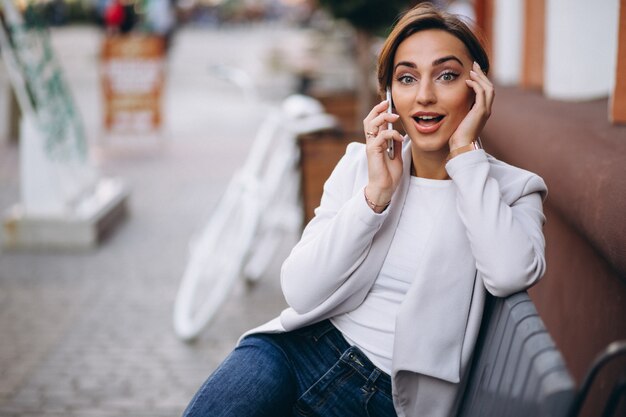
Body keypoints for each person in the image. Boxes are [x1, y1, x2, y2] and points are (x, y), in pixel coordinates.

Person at [182, 3, 547, 417]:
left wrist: (464, 156)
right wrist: (375, 196)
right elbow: (300, 291)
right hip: (298, 357)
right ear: (391, 95)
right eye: (407, 78)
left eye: (446, 75)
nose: (425, 94)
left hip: (391, 400)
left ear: (478, 88)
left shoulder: (512, 190)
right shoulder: (361, 166)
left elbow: (510, 272)